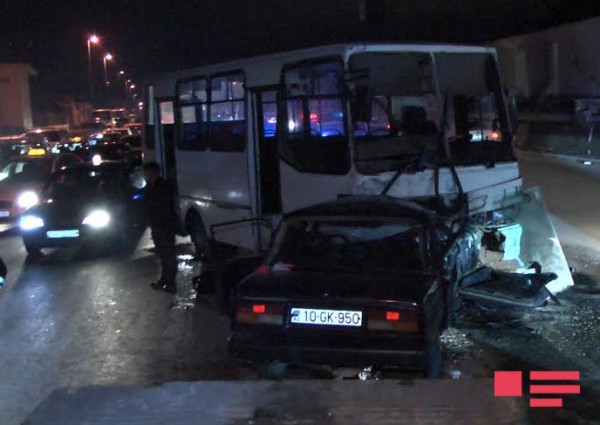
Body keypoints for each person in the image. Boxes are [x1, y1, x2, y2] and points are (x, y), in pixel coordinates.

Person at [143, 162, 178, 294]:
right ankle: (165, 279)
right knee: (163, 254)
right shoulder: (152, 187)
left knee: (168, 254)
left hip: (164, 225)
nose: (146, 176)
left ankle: (170, 282)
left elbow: (163, 208)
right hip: (158, 225)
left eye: (147, 173)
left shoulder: (161, 187)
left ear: (153, 173)